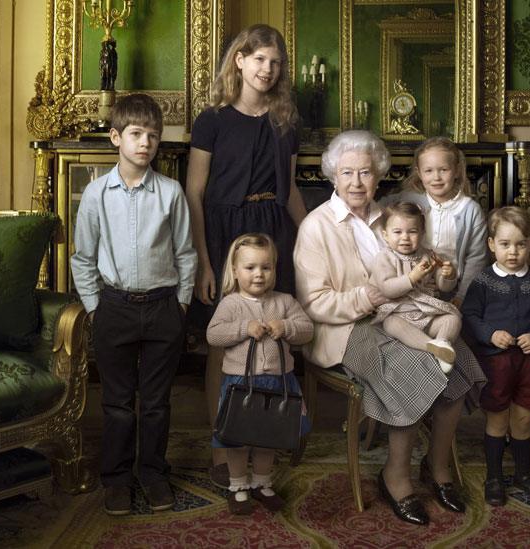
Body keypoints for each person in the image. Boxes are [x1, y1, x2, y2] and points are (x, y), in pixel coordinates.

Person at [294, 130, 486, 526]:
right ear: (333, 176)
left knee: (459, 359)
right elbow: (315, 304)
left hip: (402, 315)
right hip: (345, 328)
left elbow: (421, 276)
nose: (357, 182)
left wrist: (438, 278)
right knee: (413, 365)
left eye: (366, 172)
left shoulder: (393, 216)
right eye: (347, 173)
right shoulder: (317, 227)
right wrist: (373, 298)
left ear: (379, 175)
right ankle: (394, 475)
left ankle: (437, 468)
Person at [185, 24, 307, 490]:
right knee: (227, 342)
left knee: (276, 334)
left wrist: (311, 234)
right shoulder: (212, 120)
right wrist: (204, 260)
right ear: (238, 60)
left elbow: (291, 188)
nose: (267, 69)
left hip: (273, 229)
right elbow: (195, 193)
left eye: (275, 62)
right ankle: (224, 442)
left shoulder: (285, 122)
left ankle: (271, 434)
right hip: (223, 234)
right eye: (259, 59)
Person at [70, 93, 197, 516]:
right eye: (136, 134)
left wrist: (180, 305)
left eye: (153, 136)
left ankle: (153, 474)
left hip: (163, 308)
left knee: (158, 403)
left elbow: (185, 253)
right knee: (118, 404)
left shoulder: (172, 192)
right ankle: (117, 479)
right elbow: (83, 258)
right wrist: (94, 308)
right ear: (115, 137)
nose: (145, 143)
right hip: (115, 308)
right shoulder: (95, 195)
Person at [206, 233, 313, 515]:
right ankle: (239, 485)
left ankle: (262, 483)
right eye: (250, 267)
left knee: (270, 437)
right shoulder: (230, 304)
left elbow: (307, 329)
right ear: (235, 271)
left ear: (275, 269)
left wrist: (286, 327)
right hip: (240, 384)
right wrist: (244, 328)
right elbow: (213, 335)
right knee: (237, 438)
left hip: (279, 383)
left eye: (266, 267)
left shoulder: (285, 301)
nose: (259, 274)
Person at [461, 206, 530, 507]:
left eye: (520, 244)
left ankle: (523, 474)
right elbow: (470, 316)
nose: (513, 252)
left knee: (523, 418)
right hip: (496, 364)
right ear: (491, 244)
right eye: (505, 244)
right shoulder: (483, 281)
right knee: (497, 419)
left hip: (529, 364)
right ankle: (494, 476)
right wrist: (490, 334)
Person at [384, 136, 488, 305]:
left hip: (451, 288)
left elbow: (476, 260)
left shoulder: (470, 210)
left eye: (443, 170)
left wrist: (462, 297)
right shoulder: (409, 200)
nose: (436, 177)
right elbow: (376, 208)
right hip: (412, 285)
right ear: (419, 173)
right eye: (429, 171)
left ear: (456, 170)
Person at [369, 202, 462, 374]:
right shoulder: (384, 258)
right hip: (398, 312)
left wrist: (448, 275)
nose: (405, 237)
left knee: (453, 319)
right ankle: (432, 348)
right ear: (385, 235)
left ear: (422, 233)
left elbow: (444, 288)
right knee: (390, 323)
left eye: (412, 231)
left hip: (427, 314)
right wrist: (411, 278)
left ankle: (442, 343)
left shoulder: (429, 256)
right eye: (397, 232)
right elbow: (387, 289)